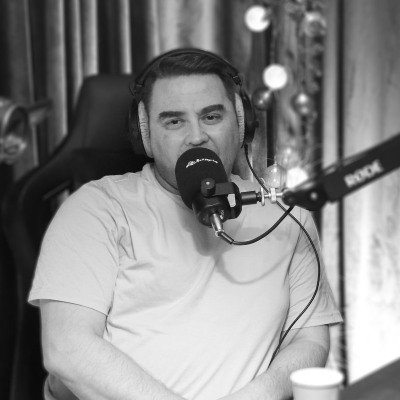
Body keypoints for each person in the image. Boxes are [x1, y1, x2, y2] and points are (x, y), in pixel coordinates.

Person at [29, 49, 342, 400]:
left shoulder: (287, 216)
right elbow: (67, 348)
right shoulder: (96, 209)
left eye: (211, 116)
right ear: (145, 134)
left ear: (241, 123)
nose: (196, 136)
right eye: (174, 121)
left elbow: (309, 339)